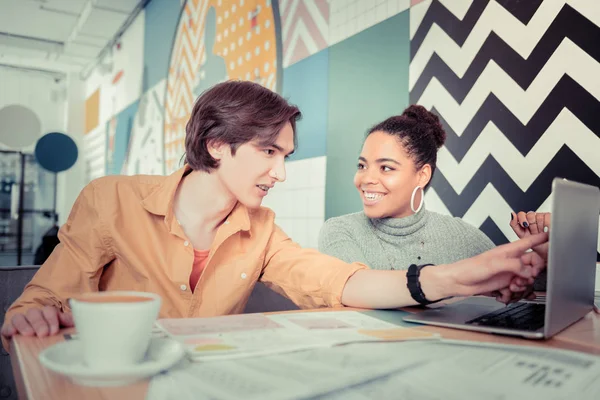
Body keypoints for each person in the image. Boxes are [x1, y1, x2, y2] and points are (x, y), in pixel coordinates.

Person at [1, 81, 547, 350]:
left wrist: (454, 276)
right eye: (269, 153)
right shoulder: (109, 198)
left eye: (285, 156)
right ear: (217, 144)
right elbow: (44, 294)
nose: (280, 173)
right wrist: (32, 313)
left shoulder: (260, 230)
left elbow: (335, 281)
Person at [318, 106, 530, 303]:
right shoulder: (340, 231)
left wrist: (540, 253)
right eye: (362, 165)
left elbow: (521, 279)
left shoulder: (460, 236)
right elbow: (353, 290)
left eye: (386, 168)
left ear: (422, 175)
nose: (365, 179)